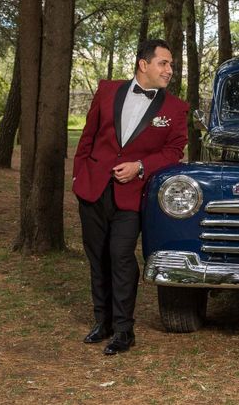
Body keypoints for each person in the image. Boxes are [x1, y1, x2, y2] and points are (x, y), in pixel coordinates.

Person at [72, 39, 189, 355]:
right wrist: (78, 176)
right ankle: (103, 322)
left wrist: (140, 166)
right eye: (163, 63)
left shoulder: (176, 109)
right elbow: (89, 137)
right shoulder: (108, 90)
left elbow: (174, 151)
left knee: (121, 256)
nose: (169, 70)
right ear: (143, 64)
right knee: (97, 257)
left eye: (171, 64)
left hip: (133, 196)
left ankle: (124, 330)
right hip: (93, 188)